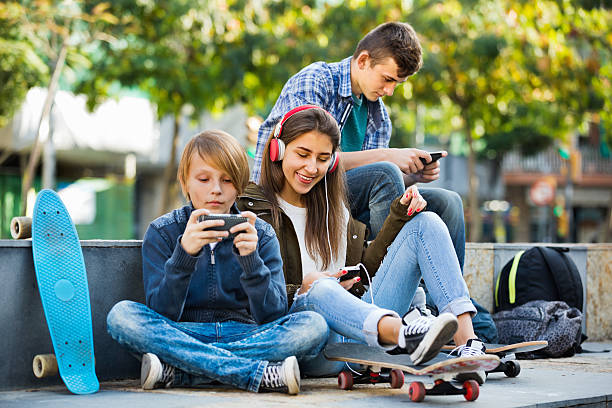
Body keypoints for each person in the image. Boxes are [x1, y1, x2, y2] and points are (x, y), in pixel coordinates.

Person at [238, 106, 488, 384]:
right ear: (278, 151)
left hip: (357, 334)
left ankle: (468, 346)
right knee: (321, 288)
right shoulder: (252, 210)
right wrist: (304, 288)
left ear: (333, 162)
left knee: (425, 223)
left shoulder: (333, 209)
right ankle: (404, 334)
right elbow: (245, 295)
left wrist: (398, 216)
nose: (312, 168)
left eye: (323, 158)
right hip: (306, 339)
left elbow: (363, 271)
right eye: (302, 154)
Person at [106, 130, 330, 395]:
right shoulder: (163, 232)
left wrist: (251, 261)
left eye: (227, 180)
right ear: (185, 182)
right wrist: (184, 255)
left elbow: (274, 315)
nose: (216, 190)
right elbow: (162, 312)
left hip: (246, 335)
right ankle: (253, 374)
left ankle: (183, 373)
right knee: (121, 317)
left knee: (313, 326)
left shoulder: (261, 234)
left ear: (239, 185)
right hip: (184, 333)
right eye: (203, 179)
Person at [250, 21, 465, 274]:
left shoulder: (379, 116)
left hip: (341, 201)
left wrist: (410, 176)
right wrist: (389, 157)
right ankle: (390, 281)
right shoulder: (316, 81)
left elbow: (374, 185)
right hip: (295, 190)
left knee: (447, 202)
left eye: (397, 83)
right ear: (363, 60)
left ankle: (444, 301)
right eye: (387, 79)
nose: (390, 90)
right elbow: (309, 157)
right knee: (385, 171)